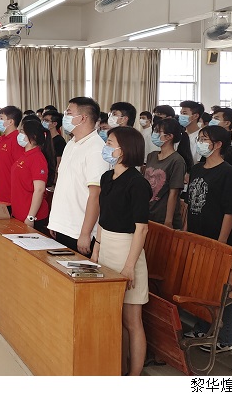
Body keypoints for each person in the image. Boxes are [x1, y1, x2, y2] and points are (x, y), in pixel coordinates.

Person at [91, 126, 150, 376]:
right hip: (106, 248)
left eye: (110, 142)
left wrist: (129, 266)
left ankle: (134, 376)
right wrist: (96, 249)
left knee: (132, 320)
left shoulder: (138, 183)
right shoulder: (107, 177)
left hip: (128, 251)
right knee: (116, 319)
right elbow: (103, 217)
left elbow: (141, 229)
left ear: (123, 150)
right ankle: (121, 369)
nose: (106, 146)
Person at [183, 125, 232, 353]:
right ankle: (202, 327)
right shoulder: (197, 168)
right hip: (196, 236)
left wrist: (221, 242)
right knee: (201, 284)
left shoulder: (228, 173)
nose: (200, 143)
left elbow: (230, 211)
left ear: (218, 144)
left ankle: (225, 338)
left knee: (222, 290)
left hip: (216, 239)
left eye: (205, 139)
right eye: (199, 138)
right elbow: (189, 203)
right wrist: (185, 231)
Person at [47, 97, 109, 255]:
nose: (65, 117)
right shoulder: (71, 143)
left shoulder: (96, 148)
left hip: (78, 231)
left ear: (83, 118)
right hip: (62, 225)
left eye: (69, 113)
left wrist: (85, 233)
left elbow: (96, 195)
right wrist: (55, 221)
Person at [11, 116, 53, 234]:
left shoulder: (37, 158)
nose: (19, 135)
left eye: (22, 132)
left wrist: (30, 217)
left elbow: (39, 190)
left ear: (33, 136)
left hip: (32, 217)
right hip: (19, 212)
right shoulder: (25, 155)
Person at [145, 118, 186, 229]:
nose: (154, 134)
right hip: (148, 212)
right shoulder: (151, 156)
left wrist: (168, 221)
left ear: (169, 137)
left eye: (157, 131)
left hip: (162, 216)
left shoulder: (177, 160)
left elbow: (174, 193)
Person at [0, 106, 25, 207]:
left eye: (1, 118)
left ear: (10, 122)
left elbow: (19, 171)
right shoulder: (2, 139)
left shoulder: (17, 140)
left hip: (10, 196)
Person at [210, 107, 232, 175]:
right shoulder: (210, 140)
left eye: (216, 119)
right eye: (212, 118)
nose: (212, 121)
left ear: (227, 123)